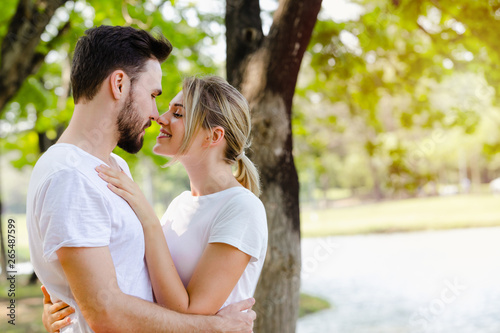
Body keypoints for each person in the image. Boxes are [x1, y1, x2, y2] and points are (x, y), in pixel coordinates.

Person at [26, 25, 256, 333]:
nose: (156, 113)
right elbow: (105, 313)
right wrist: (213, 327)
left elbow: (124, 282)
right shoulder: (71, 176)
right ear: (119, 84)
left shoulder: (114, 166)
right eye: (152, 95)